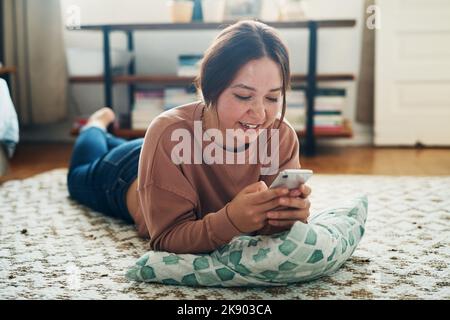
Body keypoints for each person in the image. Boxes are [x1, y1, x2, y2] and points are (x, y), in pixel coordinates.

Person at [67, 20, 312, 254]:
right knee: (79, 172)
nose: (260, 113)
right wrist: (231, 221)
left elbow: (269, 225)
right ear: (208, 89)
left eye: (272, 98)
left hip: (167, 156)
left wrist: (288, 215)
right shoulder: (167, 133)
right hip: (123, 174)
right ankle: (96, 125)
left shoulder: (281, 135)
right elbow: (165, 238)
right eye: (243, 96)